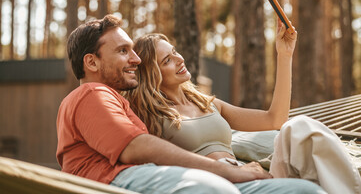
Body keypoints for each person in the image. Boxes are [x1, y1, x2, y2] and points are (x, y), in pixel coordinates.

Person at [56, 14, 325, 194]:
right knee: (218, 190)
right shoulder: (90, 94)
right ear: (91, 62)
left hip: (204, 175)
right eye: (123, 51)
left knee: (306, 190)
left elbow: (273, 120)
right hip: (111, 184)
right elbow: (136, 146)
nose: (135, 60)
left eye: (133, 50)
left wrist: (284, 55)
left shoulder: (117, 102)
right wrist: (228, 171)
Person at [125, 23, 361, 194]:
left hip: (250, 174)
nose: (179, 59)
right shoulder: (149, 115)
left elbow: (275, 119)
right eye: (167, 60)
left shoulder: (207, 103)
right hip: (221, 184)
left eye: (175, 52)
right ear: (152, 75)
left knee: (300, 127)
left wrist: (284, 55)